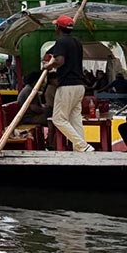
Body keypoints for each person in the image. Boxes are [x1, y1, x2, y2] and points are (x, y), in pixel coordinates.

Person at [42, 14, 93, 152]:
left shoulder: (61, 42)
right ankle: (82, 150)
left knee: (58, 119)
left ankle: (83, 146)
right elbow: (58, 55)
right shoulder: (76, 42)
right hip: (79, 86)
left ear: (58, 27)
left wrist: (48, 66)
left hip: (67, 86)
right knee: (75, 119)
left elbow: (60, 61)